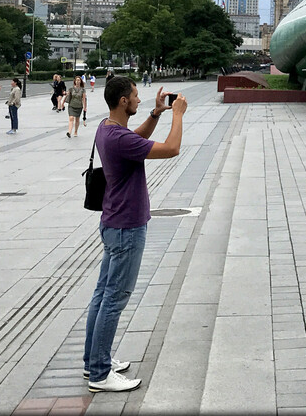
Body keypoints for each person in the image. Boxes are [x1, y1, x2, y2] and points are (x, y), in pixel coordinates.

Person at [84, 77, 186, 393]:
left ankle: (94, 363)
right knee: (114, 298)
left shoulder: (107, 129)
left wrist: (156, 114)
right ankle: (100, 374)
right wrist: (178, 115)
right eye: (137, 97)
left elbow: (137, 140)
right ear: (124, 101)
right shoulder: (117, 137)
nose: (140, 100)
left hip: (114, 222)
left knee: (103, 294)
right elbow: (171, 149)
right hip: (127, 226)